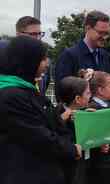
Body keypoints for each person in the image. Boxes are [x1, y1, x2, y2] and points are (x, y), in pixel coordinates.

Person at [0, 36, 81, 184]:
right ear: (28, 61)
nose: (47, 63)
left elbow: (50, 121)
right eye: (43, 59)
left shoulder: (27, 89)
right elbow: (38, 135)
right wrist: (71, 149)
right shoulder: (11, 95)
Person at [55, 10, 110, 101]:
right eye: (101, 33)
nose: (104, 37)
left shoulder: (107, 57)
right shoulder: (69, 56)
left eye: (107, 33)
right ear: (87, 28)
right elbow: (61, 93)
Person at [55, 76, 92, 184]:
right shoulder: (57, 116)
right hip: (67, 171)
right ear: (77, 99)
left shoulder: (84, 112)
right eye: (88, 93)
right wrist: (61, 120)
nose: (91, 96)